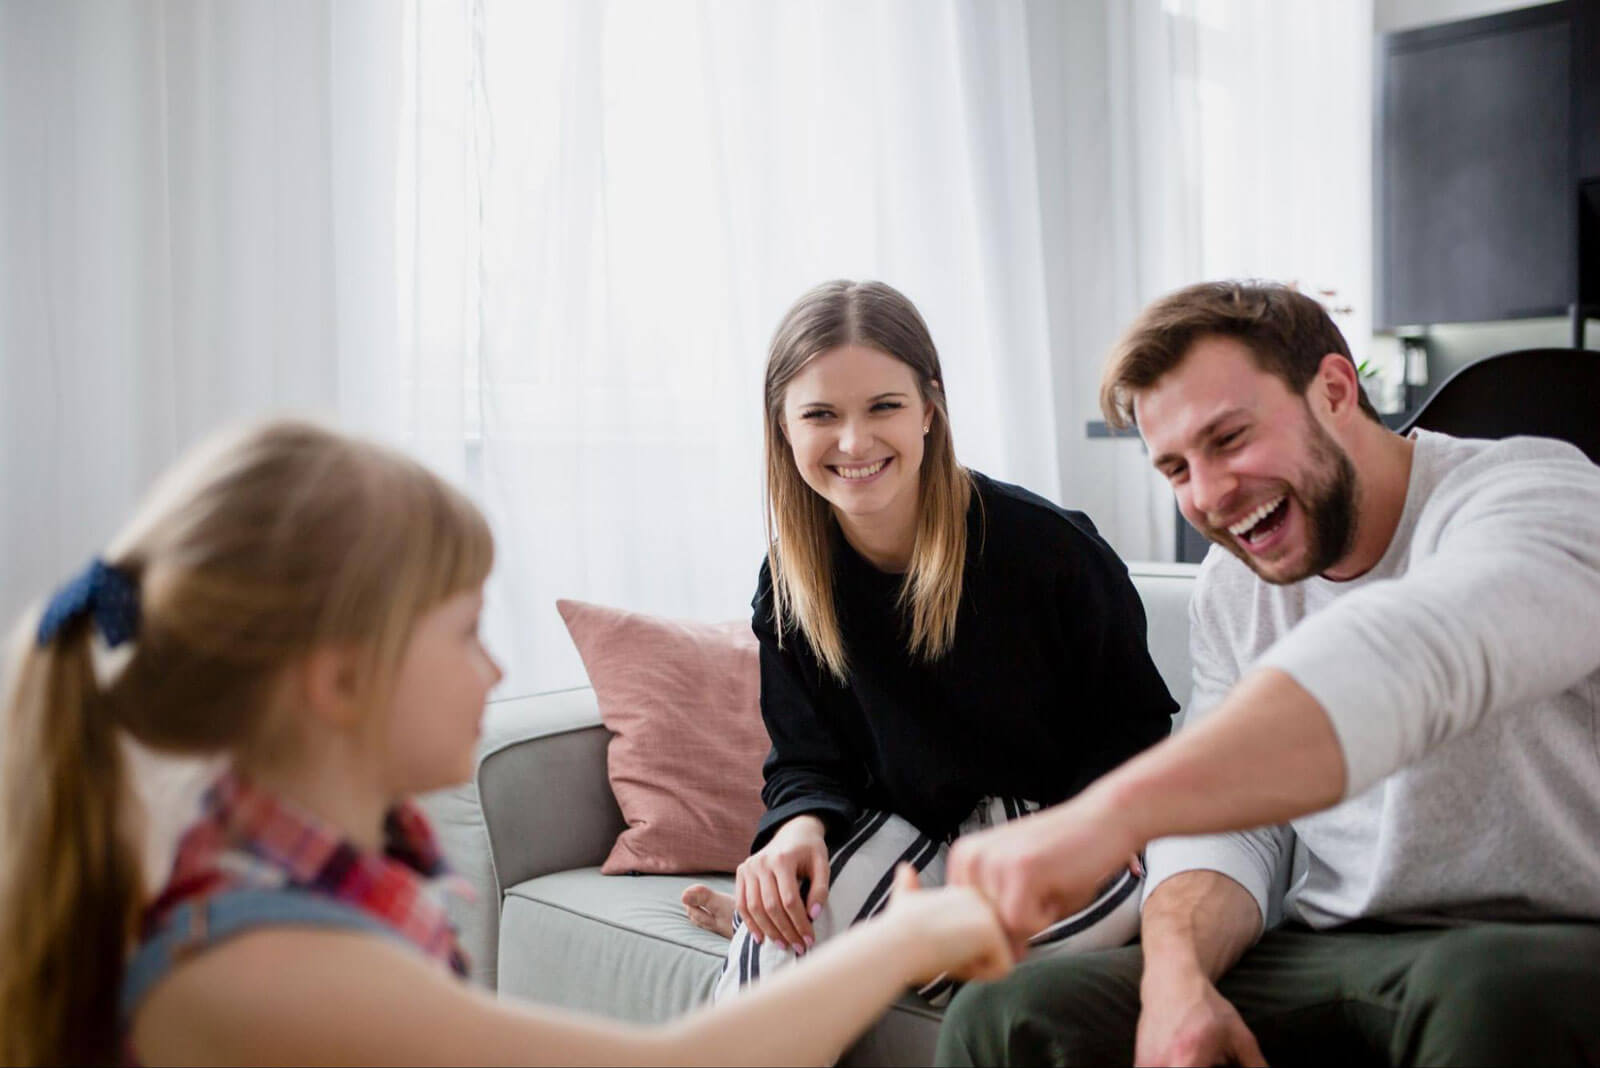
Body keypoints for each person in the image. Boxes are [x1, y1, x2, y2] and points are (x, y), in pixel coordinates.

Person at [0, 419, 1016, 1067]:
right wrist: (904, 939)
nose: (494, 674)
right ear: (341, 679)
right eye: (464, 633)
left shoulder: (315, 863)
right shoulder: (258, 961)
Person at [935, 280, 1600, 1066]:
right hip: (1336, 948)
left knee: (1492, 992)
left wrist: (1104, 817)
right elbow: (1226, 830)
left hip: (1546, 941)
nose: (1211, 495)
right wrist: (1176, 985)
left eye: (1229, 439)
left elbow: (1412, 656)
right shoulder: (1235, 584)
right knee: (1012, 1013)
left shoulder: (1537, 493)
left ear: (1334, 390)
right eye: (1176, 468)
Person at [679, 279, 1177, 1005]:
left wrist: (1101, 826)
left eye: (884, 406)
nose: (854, 441)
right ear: (783, 427)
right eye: (820, 414)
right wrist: (795, 832)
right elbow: (807, 759)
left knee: (1008, 959)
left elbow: (1135, 723)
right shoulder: (790, 581)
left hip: (1061, 826)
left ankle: (858, 936)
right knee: (774, 942)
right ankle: (825, 932)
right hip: (904, 830)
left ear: (929, 411)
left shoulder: (1048, 547)